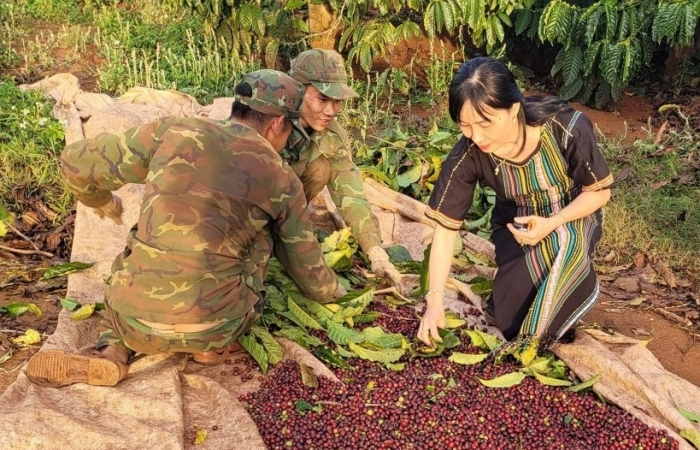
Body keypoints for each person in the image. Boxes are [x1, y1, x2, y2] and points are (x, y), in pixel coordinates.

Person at [26, 69, 346, 388]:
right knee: (262, 237)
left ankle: (113, 351)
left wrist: (98, 199)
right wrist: (336, 292)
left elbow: (75, 162)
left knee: (147, 239)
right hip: (219, 323)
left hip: (134, 319)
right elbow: (305, 265)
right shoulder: (282, 177)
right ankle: (211, 346)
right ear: (278, 123)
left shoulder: (175, 132)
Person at [417, 57, 613, 354]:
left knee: (564, 246)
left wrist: (553, 220)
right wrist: (434, 302)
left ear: (514, 109)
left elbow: (599, 192)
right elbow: (445, 230)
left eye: (485, 123)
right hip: (516, 224)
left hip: (574, 215)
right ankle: (541, 295)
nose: (476, 136)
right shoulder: (469, 153)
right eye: (465, 125)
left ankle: (571, 288)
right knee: (510, 322)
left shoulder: (566, 128)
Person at [285, 49, 405, 294]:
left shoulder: (332, 135)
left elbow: (350, 193)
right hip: (254, 199)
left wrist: (375, 251)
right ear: (298, 91)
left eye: (337, 101)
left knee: (322, 169)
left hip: (286, 204)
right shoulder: (272, 120)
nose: (331, 111)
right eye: (322, 99)